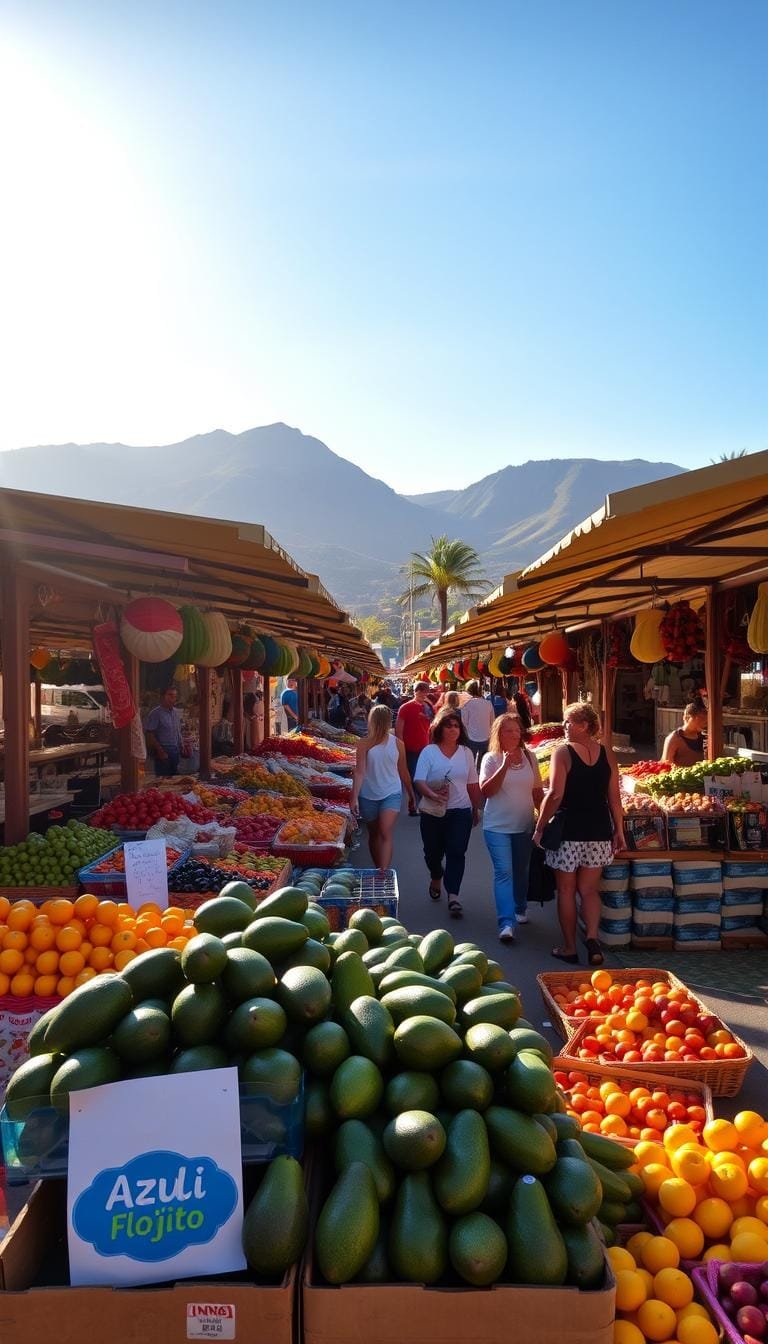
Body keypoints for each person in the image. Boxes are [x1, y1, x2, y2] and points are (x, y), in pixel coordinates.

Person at [532, 702, 626, 967]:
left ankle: (570, 947)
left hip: (569, 830)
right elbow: (615, 798)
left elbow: (555, 794)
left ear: (584, 725)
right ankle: (593, 940)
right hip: (598, 829)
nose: (564, 727)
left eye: (568, 722)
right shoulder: (607, 753)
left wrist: (540, 826)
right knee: (589, 889)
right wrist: (619, 830)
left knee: (566, 889)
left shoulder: (563, 752)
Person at [480, 713, 544, 943]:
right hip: (496, 826)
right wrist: (505, 765)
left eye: (517, 730)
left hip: (524, 825)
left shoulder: (530, 756)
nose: (514, 734)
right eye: (508, 730)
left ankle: (520, 906)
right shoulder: (491, 758)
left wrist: (544, 819)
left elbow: (537, 791)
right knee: (504, 872)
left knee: (521, 870)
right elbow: (486, 791)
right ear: (499, 733)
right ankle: (506, 923)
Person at [413, 708, 481, 918]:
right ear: (439, 728)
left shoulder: (466, 753)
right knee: (432, 852)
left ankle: (453, 896)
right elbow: (419, 780)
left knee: (457, 851)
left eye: (456, 726)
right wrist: (432, 794)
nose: (453, 730)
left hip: (461, 811)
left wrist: (476, 808)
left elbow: (472, 783)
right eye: (448, 725)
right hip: (433, 812)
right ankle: (436, 875)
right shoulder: (429, 752)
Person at [350, 705, 415, 873]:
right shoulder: (364, 744)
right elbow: (360, 771)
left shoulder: (398, 744)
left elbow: (403, 770)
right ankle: (378, 867)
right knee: (374, 834)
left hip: (391, 793)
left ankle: (383, 871)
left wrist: (411, 793)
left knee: (385, 831)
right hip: (368, 794)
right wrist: (355, 796)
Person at [396, 681, 434, 816]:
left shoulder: (429, 707)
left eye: (426, 691)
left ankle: (417, 804)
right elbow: (399, 729)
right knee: (413, 778)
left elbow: (431, 727)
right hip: (409, 748)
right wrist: (400, 748)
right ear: (415, 691)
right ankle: (418, 804)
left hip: (425, 748)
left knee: (422, 777)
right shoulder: (405, 708)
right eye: (421, 690)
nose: (424, 693)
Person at [145, 686, 186, 777]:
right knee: (163, 780)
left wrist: (181, 743)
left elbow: (177, 730)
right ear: (163, 697)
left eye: (175, 696)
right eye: (170, 695)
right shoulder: (156, 713)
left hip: (175, 751)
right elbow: (149, 734)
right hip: (164, 751)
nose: (173, 699)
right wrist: (160, 751)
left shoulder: (176, 713)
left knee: (176, 779)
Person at [661, 700, 708, 766]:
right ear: (687, 718)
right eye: (701, 719)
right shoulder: (674, 738)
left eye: (706, 720)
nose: (704, 723)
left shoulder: (704, 736)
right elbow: (666, 764)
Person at [460, 679, 495, 767]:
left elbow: (464, 722)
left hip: (471, 738)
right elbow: (492, 721)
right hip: (486, 737)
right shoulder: (488, 703)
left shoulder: (467, 704)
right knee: (484, 765)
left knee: (470, 765)